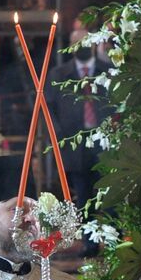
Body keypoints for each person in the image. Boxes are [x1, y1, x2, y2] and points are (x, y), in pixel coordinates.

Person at [45, 28, 114, 206]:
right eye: (77, 44)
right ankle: (84, 232)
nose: (81, 47)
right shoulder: (59, 75)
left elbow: (117, 105)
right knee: (82, 197)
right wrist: (59, 136)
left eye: (85, 43)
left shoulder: (107, 71)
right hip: (74, 144)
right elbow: (48, 109)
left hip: (104, 143)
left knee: (109, 196)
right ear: (70, 47)